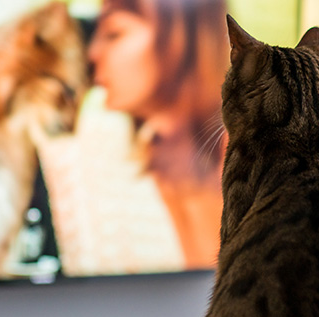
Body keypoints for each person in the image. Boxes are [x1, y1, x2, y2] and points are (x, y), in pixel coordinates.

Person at [87, 0, 229, 270]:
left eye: (114, 33)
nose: (93, 53)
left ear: (182, 37)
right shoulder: (92, 159)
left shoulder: (269, 161)